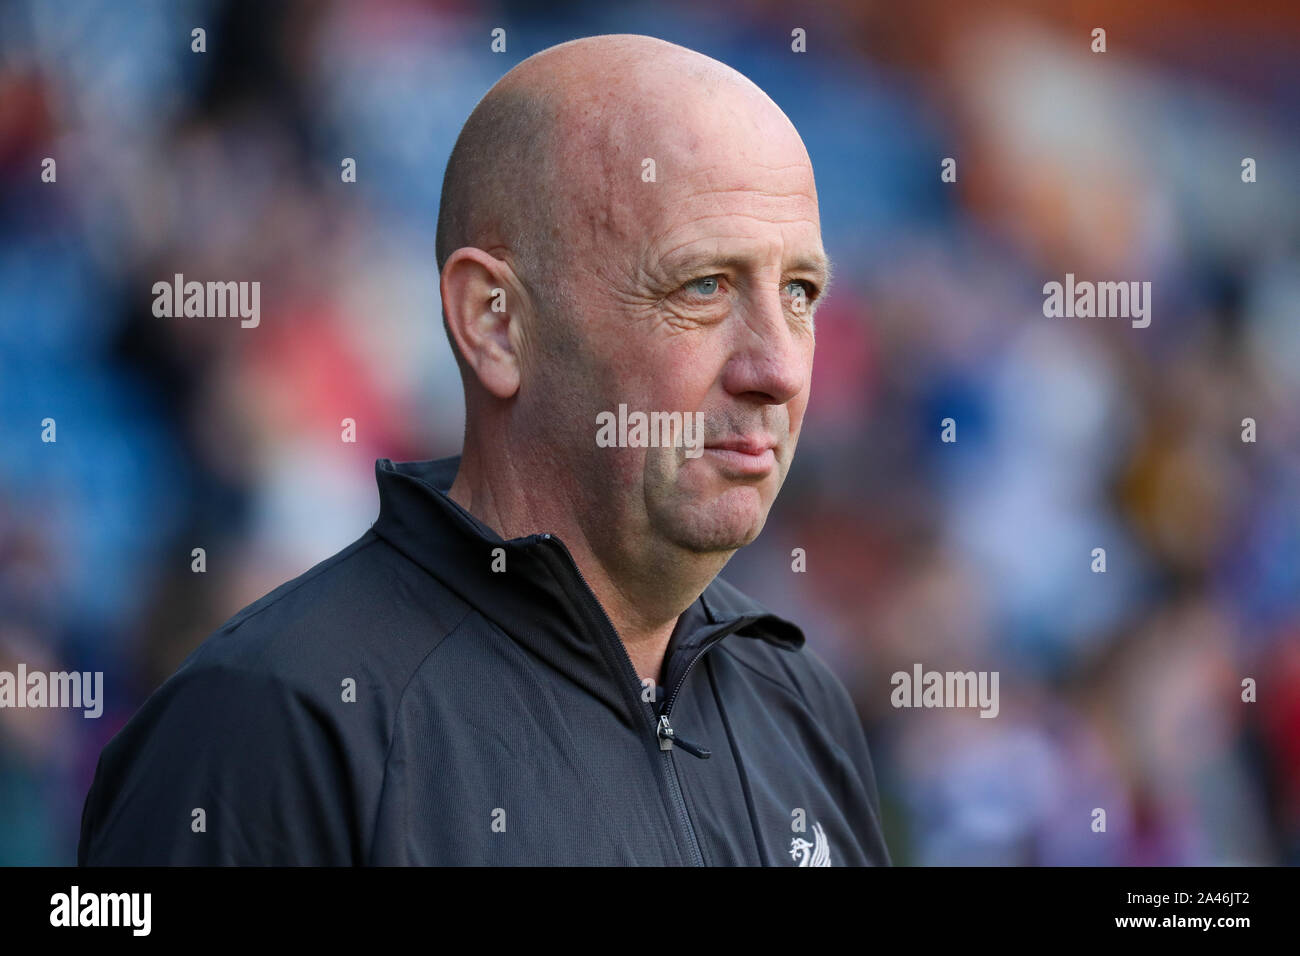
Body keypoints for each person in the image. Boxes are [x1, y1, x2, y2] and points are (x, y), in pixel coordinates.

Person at [78, 33, 891, 866]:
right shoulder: (271, 721)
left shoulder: (800, 707)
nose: (781, 369)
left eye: (800, 292)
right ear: (496, 323)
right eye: (704, 285)